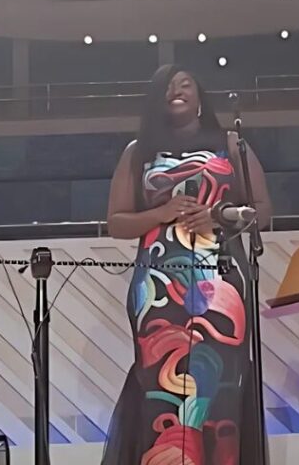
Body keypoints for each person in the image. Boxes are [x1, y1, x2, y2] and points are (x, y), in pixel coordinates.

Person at [103, 64, 272, 465]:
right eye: (167, 86)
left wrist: (219, 215)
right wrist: (161, 214)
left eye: (185, 84)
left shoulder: (230, 144)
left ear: (199, 96)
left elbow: (262, 212)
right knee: (160, 387)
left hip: (222, 281)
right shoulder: (138, 152)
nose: (176, 91)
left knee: (220, 385)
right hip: (158, 286)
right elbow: (116, 222)